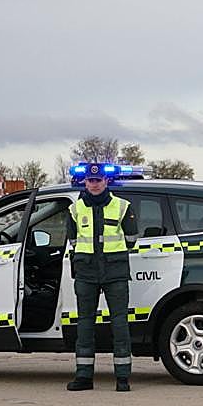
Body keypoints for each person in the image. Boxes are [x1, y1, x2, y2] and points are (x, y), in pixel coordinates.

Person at [66, 164, 138, 392]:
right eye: (91, 180)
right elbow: (73, 241)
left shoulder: (122, 206)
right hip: (86, 272)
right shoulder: (75, 209)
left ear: (106, 181)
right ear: (85, 182)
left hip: (114, 271)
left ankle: (123, 378)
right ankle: (84, 377)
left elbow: (131, 239)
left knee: (119, 324)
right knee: (85, 325)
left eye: (98, 180)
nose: (95, 184)